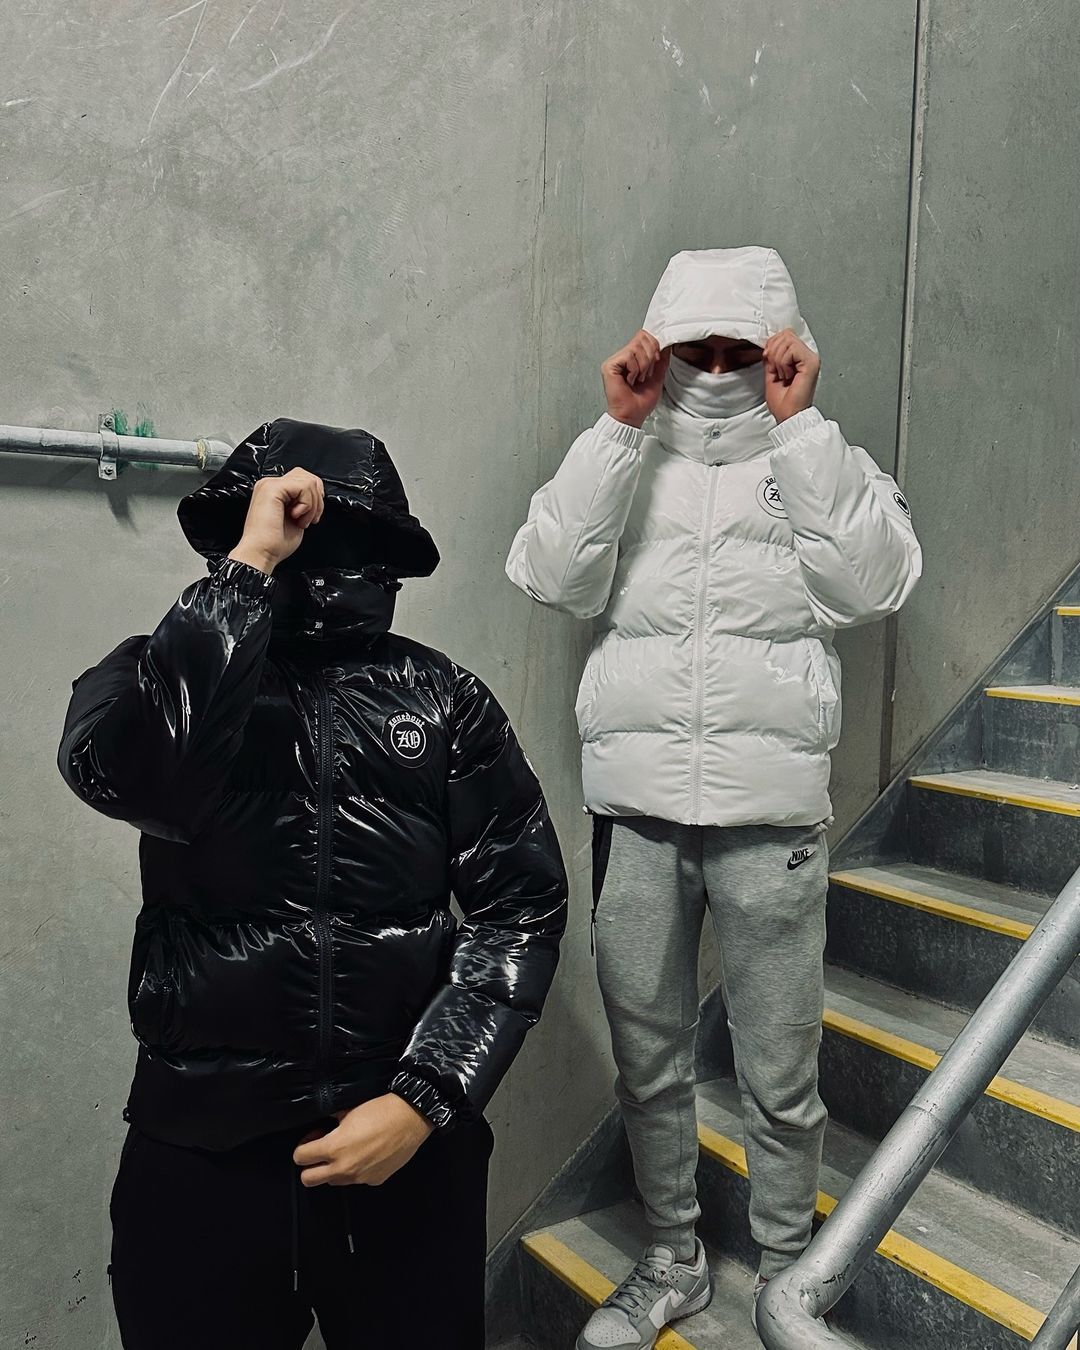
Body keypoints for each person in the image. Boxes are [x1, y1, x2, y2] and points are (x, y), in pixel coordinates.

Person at [58, 418, 568, 1350]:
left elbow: (520, 905)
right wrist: (249, 569)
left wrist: (426, 1096)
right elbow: (143, 783)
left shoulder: (444, 698)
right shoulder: (154, 671)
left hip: (402, 1148)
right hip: (203, 1150)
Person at [506, 247, 921, 1348]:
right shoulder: (626, 455)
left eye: (746, 349)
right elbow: (551, 575)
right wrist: (617, 428)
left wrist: (801, 429)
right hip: (637, 814)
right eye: (703, 348)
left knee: (782, 1072)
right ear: (665, 346)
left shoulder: (820, 456)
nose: (725, 368)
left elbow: (875, 585)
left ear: (785, 348)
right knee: (649, 1060)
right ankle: (673, 1258)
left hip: (770, 822)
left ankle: (791, 1280)